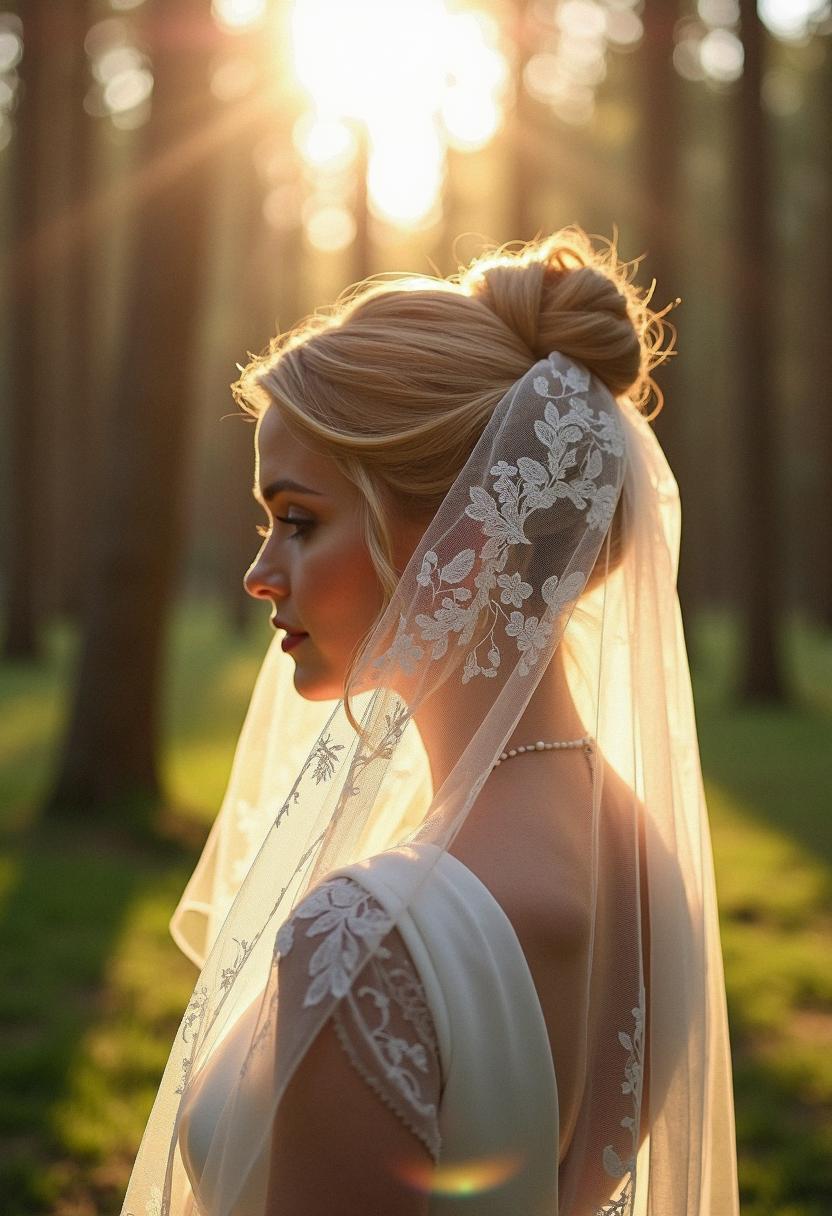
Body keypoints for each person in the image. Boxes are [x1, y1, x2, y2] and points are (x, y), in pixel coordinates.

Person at [121, 228, 740, 1216]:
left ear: (453, 524)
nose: (258, 572)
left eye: (298, 517)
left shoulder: (365, 941)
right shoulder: (638, 851)